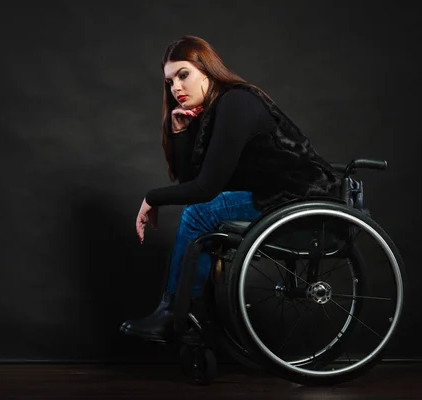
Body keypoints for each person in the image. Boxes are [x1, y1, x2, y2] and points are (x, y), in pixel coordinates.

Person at [120, 36, 339, 342]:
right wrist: (180, 134)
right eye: (170, 82)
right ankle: (188, 312)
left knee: (200, 213)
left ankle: (178, 312)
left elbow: (203, 191)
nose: (176, 89)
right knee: (200, 213)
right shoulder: (213, 113)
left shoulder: (236, 102)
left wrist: (151, 198)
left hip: (300, 197)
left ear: (207, 72)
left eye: (184, 75)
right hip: (273, 196)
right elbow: (192, 185)